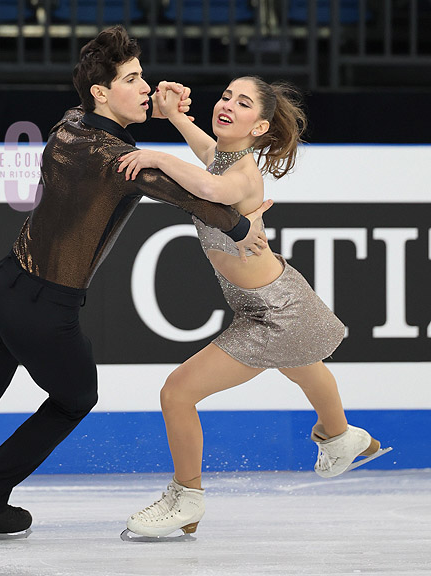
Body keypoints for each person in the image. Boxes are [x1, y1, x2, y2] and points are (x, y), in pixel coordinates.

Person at [0, 26, 271, 535]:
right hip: (46, 307)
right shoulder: (116, 161)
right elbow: (184, 194)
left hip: (1, 289)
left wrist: (165, 112)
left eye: (143, 76)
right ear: (101, 93)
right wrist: (240, 225)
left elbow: (113, 130)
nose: (146, 85)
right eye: (133, 79)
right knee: (75, 398)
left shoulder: (70, 124)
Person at [118, 76, 390, 539]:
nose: (227, 105)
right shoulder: (229, 157)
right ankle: (341, 435)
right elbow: (208, 157)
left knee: (177, 393)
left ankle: (187, 498)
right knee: (305, 365)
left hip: (274, 314)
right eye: (225, 96)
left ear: (260, 125)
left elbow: (211, 186)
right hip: (278, 298)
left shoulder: (241, 174)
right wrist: (177, 118)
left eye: (242, 104)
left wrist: (157, 155)